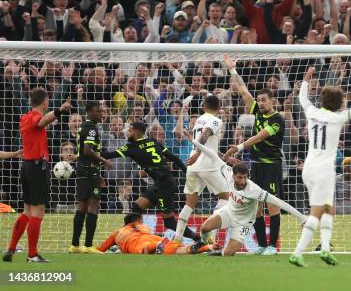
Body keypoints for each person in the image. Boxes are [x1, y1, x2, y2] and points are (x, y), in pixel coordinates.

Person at [289, 67, 351, 267]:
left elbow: (303, 99)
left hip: (309, 168)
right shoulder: (338, 118)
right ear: (338, 103)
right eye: (343, 100)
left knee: (329, 208)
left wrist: (306, 80)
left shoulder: (312, 111)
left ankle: (325, 249)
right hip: (323, 170)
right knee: (316, 211)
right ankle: (298, 253)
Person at [223, 55, 286, 256]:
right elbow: (242, 90)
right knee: (256, 208)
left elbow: (260, 136)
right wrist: (232, 70)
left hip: (271, 166)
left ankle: (272, 247)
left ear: (272, 100)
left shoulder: (277, 119)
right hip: (257, 166)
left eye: (263, 100)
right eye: (258, 100)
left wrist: (240, 146)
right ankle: (261, 245)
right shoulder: (257, 111)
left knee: (272, 206)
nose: (260, 103)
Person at [3, 87, 70, 263]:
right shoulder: (34, 117)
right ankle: (32, 254)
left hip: (27, 167)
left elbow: (42, 124)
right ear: (45, 102)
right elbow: (42, 122)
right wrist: (59, 110)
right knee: (38, 211)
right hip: (36, 168)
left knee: (27, 211)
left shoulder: (24, 117)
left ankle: (11, 249)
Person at [102, 122, 199, 241]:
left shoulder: (131, 147)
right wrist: (186, 172)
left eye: (130, 130)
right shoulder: (153, 141)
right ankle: (135, 238)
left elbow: (108, 155)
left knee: (169, 222)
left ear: (136, 133)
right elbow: (174, 158)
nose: (128, 132)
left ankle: (197, 238)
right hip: (163, 182)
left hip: (165, 185)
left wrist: (91, 152)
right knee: (136, 207)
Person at [199, 162, 306, 256]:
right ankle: (207, 245)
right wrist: (193, 141)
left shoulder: (254, 190)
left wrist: (302, 218)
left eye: (245, 177)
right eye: (240, 177)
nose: (242, 181)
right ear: (233, 176)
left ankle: (219, 252)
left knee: (227, 253)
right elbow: (214, 157)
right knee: (204, 228)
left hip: (242, 223)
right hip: (228, 212)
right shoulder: (228, 174)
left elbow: (280, 203)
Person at [174, 94, 234, 243]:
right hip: (207, 165)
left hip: (193, 166)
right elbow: (205, 137)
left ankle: (177, 239)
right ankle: (207, 233)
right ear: (219, 109)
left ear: (203, 107)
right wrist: (199, 153)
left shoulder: (199, 120)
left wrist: (225, 156)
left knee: (189, 203)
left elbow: (208, 145)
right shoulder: (215, 120)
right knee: (225, 197)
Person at [70, 101, 112, 254]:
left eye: (101, 111)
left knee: (82, 206)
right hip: (88, 171)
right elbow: (88, 151)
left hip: (85, 170)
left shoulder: (85, 127)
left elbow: (85, 153)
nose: (101, 113)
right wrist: (104, 161)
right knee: (93, 205)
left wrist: (98, 172)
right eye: (97, 111)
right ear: (88, 112)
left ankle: (75, 245)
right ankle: (88, 245)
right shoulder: (91, 128)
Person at [97, 213, 216, 255]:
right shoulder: (143, 227)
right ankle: (209, 246)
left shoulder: (118, 232)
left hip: (138, 242)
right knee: (181, 250)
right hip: (153, 237)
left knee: (145, 249)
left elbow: (101, 249)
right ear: (138, 221)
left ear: (125, 223)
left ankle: (155, 247)